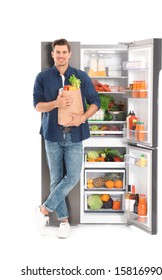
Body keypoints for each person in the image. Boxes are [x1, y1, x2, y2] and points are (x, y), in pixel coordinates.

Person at [33, 38, 100, 238]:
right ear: (52, 54)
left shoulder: (80, 76)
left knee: (72, 177)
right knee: (55, 179)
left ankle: (43, 210)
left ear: (69, 54)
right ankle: (63, 221)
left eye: (64, 52)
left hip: (75, 135)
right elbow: (37, 106)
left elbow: (95, 101)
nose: (61, 56)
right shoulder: (42, 77)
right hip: (52, 134)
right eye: (57, 52)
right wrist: (56, 103)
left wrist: (83, 117)